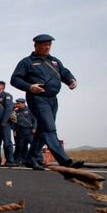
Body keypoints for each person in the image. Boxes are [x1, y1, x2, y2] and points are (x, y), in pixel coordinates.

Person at [10, 34, 83, 170]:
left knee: (42, 130)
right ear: (35, 45)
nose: (46, 47)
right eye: (43, 45)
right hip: (37, 98)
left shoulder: (54, 61)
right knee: (49, 128)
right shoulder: (27, 62)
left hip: (52, 99)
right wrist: (30, 87)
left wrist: (71, 80)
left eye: (49, 44)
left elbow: (65, 73)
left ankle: (31, 159)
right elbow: (15, 79)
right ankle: (65, 161)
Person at [12, 98, 37, 166]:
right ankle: (24, 160)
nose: (17, 105)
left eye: (19, 103)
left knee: (34, 145)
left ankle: (38, 160)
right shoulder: (16, 112)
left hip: (29, 130)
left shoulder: (30, 110)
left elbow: (35, 119)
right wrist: (14, 130)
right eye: (17, 103)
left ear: (23, 103)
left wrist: (34, 128)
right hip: (20, 131)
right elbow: (14, 122)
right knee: (22, 147)